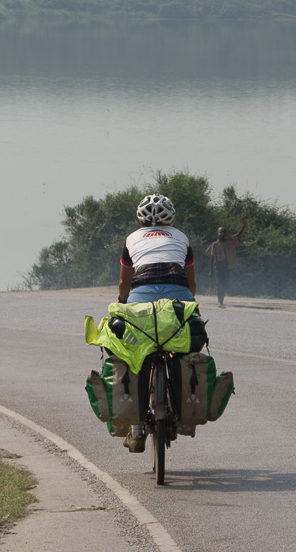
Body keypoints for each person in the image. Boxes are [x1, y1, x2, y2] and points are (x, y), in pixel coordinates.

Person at [117, 194, 196, 453]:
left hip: (140, 296)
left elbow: (124, 284)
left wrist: (122, 303)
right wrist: (189, 303)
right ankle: (185, 410)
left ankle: (136, 429)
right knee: (186, 345)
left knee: (133, 351)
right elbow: (191, 282)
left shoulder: (131, 239)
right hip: (179, 296)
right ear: (171, 218)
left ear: (140, 219)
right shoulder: (182, 237)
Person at [206, 217, 247, 308]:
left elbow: (237, 235)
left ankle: (222, 301)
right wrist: (211, 270)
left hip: (226, 267)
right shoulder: (215, 245)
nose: (222, 234)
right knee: (219, 283)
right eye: (220, 232)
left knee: (224, 284)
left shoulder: (229, 241)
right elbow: (212, 258)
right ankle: (219, 302)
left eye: (224, 232)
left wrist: (243, 226)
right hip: (218, 267)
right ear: (217, 233)